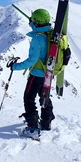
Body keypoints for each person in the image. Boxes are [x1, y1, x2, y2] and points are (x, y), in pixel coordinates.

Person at [11, 8, 55, 138]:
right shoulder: (50, 34)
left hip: (37, 74)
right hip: (48, 73)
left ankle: (32, 128)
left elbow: (32, 60)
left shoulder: (37, 38)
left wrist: (15, 66)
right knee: (44, 96)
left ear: (35, 22)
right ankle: (46, 122)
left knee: (29, 99)